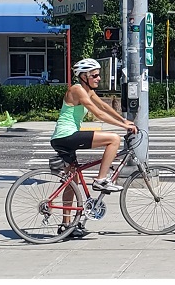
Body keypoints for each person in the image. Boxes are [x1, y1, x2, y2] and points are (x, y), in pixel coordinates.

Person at [51, 58, 137, 236]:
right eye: (95, 75)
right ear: (84, 76)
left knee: (71, 181)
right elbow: (97, 113)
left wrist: (123, 120)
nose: (99, 78)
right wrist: (124, 128)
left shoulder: (86, 90)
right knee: (113, 139)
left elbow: (103, 106)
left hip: (62, 138)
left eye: (99, 75)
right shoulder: (77, 90)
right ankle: (101, 179)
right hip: (66, 136)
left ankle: (66, 226)